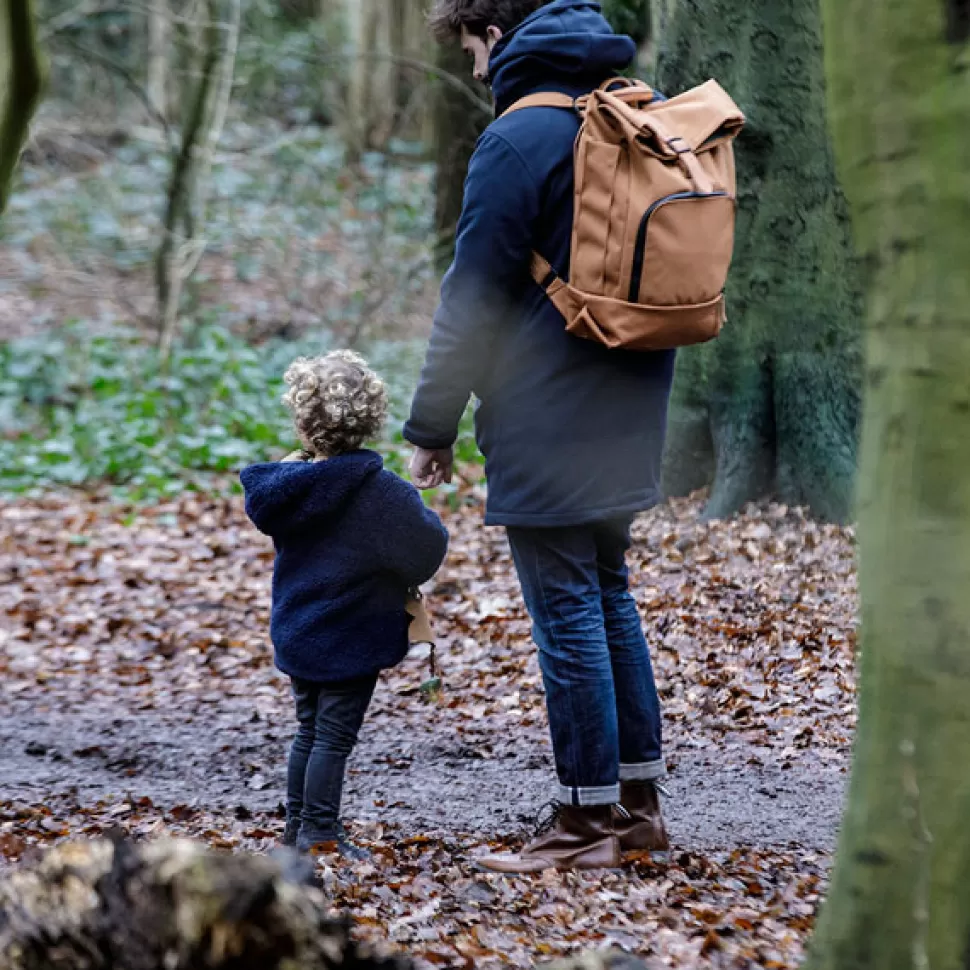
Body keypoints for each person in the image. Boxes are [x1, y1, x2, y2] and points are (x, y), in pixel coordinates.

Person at [405, 0, 675, 873]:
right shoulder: (633, 109)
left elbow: (473, 298)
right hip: (632, 396)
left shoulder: (519, 139)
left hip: (548, 407)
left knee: (567, 609)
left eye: (478, 49)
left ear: (498, 32)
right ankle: (636, 806)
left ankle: (582, 824)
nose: (478, 71)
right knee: (607, 593)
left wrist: (432, 426)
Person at [241, 351, 449, 860]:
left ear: (303, 421)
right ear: (371, 420)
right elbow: (426, 550)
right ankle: (320, 832)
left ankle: (296, 829)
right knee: (332, 736)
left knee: (308, 729)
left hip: (298, 627)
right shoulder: (382, 495)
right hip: (351, 634)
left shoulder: (287, 487)